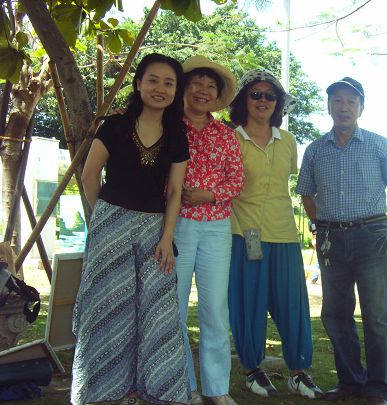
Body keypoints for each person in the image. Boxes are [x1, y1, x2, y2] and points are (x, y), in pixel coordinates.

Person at [71, 53, 190, 405]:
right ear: (138, 84)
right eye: (153, 80)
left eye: (169, 83)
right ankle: (103, 390)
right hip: (111, 225)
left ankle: (157, 389)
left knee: (156, 307)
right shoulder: (115, 126)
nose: (160, 88)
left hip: (155, 230)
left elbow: (175, 191)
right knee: (109, 305)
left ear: (175, 91)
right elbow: (89, 176)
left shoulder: (177, 134)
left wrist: (167, 237)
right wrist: (105, 220)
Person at [296, 77, 387, 405]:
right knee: (335, 313)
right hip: (331, 239)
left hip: (372, 236)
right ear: (328, 106)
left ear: (361, 107)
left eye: (351, 101)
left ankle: (377, 388)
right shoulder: (315, 150)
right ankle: (349, 381)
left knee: (377, 316)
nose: (343, 107)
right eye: (337, 101)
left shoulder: (379, 145)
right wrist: (320, 225)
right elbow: (306, 193)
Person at [228, 69, 323, 400]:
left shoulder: (289, 142)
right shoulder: (231, 139)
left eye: (270, 96)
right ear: (243, 100)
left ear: (278, 103)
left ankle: (298, 372)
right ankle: (252, 369)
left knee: (292, 304)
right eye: (256, 94)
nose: (263, 100)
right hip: (246, 233)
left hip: (285, 235)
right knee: (249, 303)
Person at [174, 55, 243, 405]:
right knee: (173, 306)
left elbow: (237, 181)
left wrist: (208, 195)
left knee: (215, 308)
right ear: (185, 89)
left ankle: (217, 388)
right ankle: (182, 384)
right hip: (175, 226)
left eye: (210, 86)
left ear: (217, 95)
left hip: (216, 227)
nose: (203, 91)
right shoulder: (169, 127)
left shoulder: (226, 135)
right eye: (196, 84)